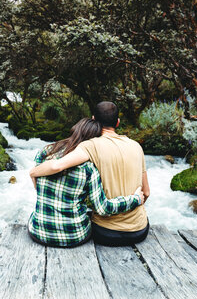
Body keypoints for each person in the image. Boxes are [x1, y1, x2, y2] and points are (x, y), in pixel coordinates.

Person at [30, 102, 150, 246]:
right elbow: (146, 192)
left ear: (93, 120)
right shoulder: (137, 146)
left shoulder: (87, 147)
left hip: (105, 233)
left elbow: (57, 165)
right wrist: (135, 200)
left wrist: (33, 173)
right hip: (140, 230)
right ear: (118, 122)